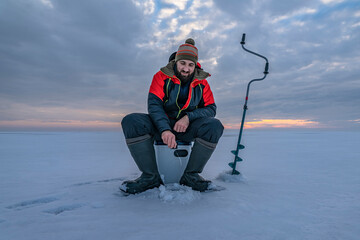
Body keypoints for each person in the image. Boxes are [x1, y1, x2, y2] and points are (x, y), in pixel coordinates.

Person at [120, 38, 224, 194]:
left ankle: (191, 176)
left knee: (214, 126)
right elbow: (154, 106)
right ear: (176, 61)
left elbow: (211, 108)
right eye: (183, 63)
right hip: (161, 125)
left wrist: (188, 117)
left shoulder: (202, 82)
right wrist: (164, 129)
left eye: (191, 65)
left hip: (187, 128)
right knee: (132, 121)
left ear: (195, 65)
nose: (186, 69)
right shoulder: (161, 76)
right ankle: (149, 177)